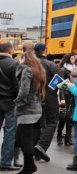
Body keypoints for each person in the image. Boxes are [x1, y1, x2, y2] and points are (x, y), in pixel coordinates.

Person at [14, 51, 45, 174]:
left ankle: (27, 169)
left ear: (25, 58)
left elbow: (24, 91)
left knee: (25, 141)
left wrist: (17, 103)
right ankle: (31, 165)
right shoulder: (38, 70)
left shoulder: (27, 70)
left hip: (27, 110)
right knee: (20, 138)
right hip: (37, 109)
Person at [33, 43, 60, 163]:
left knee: (36, 123)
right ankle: (41, 146)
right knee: (52, 121)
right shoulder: (51, 65)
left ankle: (36, 149)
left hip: (33, 97)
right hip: (49, 97)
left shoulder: (29, 64)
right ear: (45, 50)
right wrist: (50, 90)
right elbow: (59, 81)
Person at [0, 41, 19, 171]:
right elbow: (18, 85)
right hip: (10, 101)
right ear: (10, 51)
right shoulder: (13, 64)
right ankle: (5, 162)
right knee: (10, 132)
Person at [57, 53, 76, 146]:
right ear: (68, 59)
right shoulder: (63, 70)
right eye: (72, 58)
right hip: (65, 95)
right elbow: (60, 85)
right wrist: (62, 98)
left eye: (74, 58)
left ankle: (68, 137)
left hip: (73, 94)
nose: (73, 60)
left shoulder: (75, 69)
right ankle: (59, 135)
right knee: (63, 117)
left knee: (70, 117)